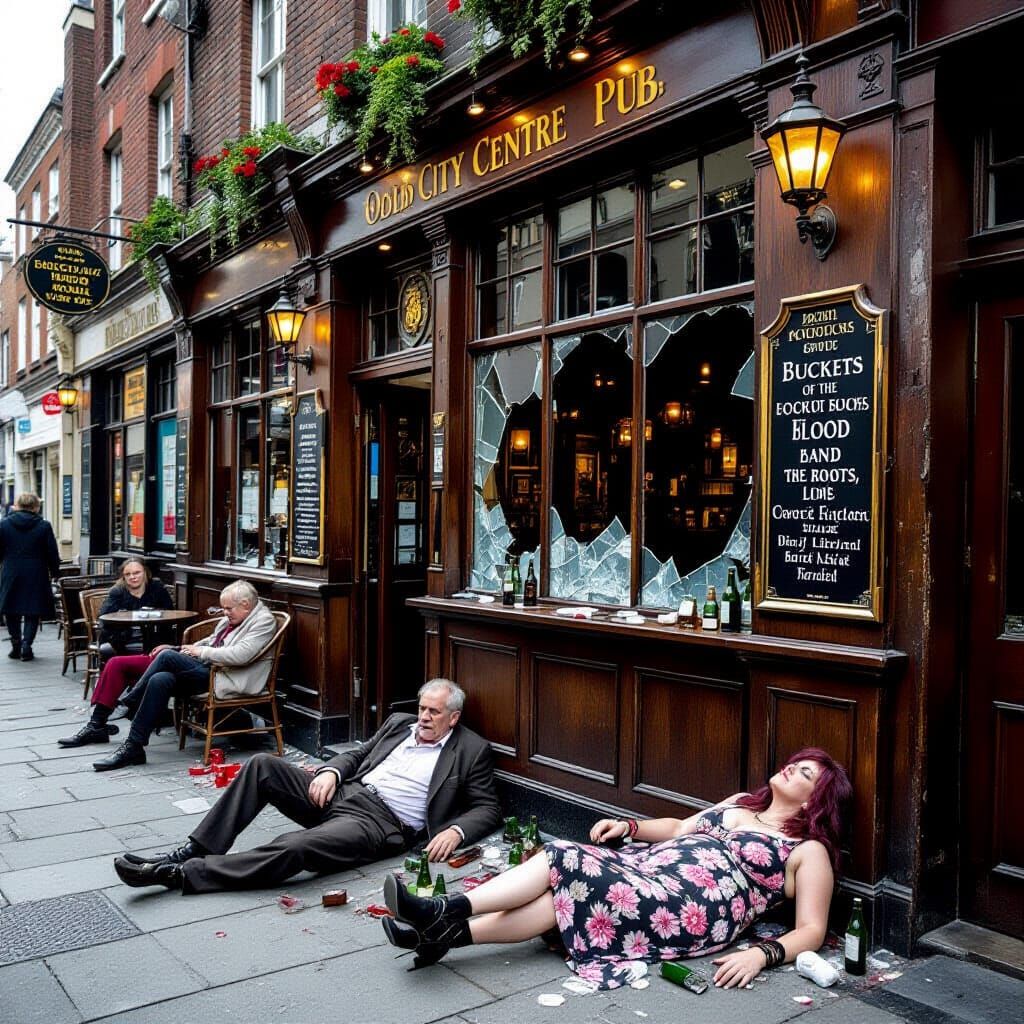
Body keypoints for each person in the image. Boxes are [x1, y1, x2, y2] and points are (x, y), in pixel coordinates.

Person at [381, 747, 852, 990]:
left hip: (689, 908)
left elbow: (812, 929)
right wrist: (630, 826)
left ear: (816, 800)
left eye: (805, 773)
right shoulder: (740, 803)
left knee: (564, 857)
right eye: (796, 764)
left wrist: (760, 955)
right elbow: (679, 828)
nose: (792, 769)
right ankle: (444, 933)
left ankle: (444, 910)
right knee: (563, 896)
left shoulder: (806, 850)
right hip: (646, 871)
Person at [112, 678, 502, 894]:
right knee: (262, 765)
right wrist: (331, 770)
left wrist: (455, 829)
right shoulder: (400, 724)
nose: (424, 717)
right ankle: (193, 849)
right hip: (344, 791)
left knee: (297, 846)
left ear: (454, 718)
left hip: (379, 825)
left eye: (434, 712)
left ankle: (184, 875)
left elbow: (488, 807)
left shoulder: (470, 749)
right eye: (422, 708)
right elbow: (356, 754)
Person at [92, 580, 277, 771]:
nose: (225, 612)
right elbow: (210, 642)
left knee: (167, 657)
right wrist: (182, 648)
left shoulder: (263, 621)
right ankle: (134, 746)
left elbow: (241, 655)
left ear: (246, 605)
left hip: (227, 678)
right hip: (210, 671)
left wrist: (198, 652)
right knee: (159, 679)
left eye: (229, 608)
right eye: (224, 608)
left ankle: (131, 701)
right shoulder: (233, 619)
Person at [0, 493, 59, 662]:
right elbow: (51, 552)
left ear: (17, 505)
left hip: (11, 570)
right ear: (36, 507)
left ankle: (16, 644)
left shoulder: (4, 525)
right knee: (33, 610)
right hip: (36, 571)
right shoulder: (44, 526)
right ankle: (27, 645)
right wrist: (55, 571)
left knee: (11, 609)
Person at [97, 559, 173, 658]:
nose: (132, 577)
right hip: (123, 638)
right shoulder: (117, 592)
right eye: (128, 574)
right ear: (123, 577)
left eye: (137, 573)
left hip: (154, 635)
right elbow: (104, 617)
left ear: (145, 572)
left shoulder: (157, 588)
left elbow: (169, 611)